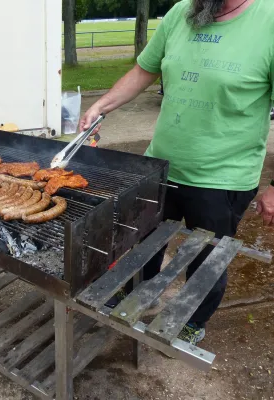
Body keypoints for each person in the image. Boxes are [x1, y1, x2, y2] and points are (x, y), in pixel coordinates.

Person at [81, 0, 274, 345]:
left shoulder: (268, 20)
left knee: (206, 260)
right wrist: (100, 105)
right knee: (143, 245)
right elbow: (145, 70)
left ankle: (192, 322)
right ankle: (138, 298)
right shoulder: (182, 11)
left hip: (222, 178)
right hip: (161, 167)